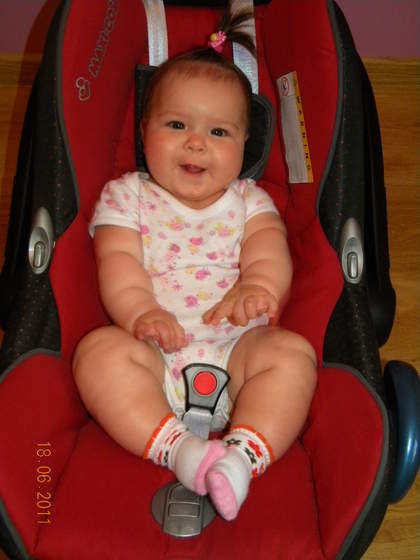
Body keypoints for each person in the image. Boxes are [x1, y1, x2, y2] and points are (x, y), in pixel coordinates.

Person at [72, 7, 317, 521]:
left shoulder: (249, 201)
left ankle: (241, 458)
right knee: (96, 354)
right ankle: (181, 450)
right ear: (145, 130)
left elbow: (269, 250)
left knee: (293, 356)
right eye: (177, 124)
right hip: (153, 356)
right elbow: (117, 259)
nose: (196, 143)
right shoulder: (126, 195)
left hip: (238, 354)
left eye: (219, 133)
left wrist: (258, 287)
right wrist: (140, 312)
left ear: (245, 143)